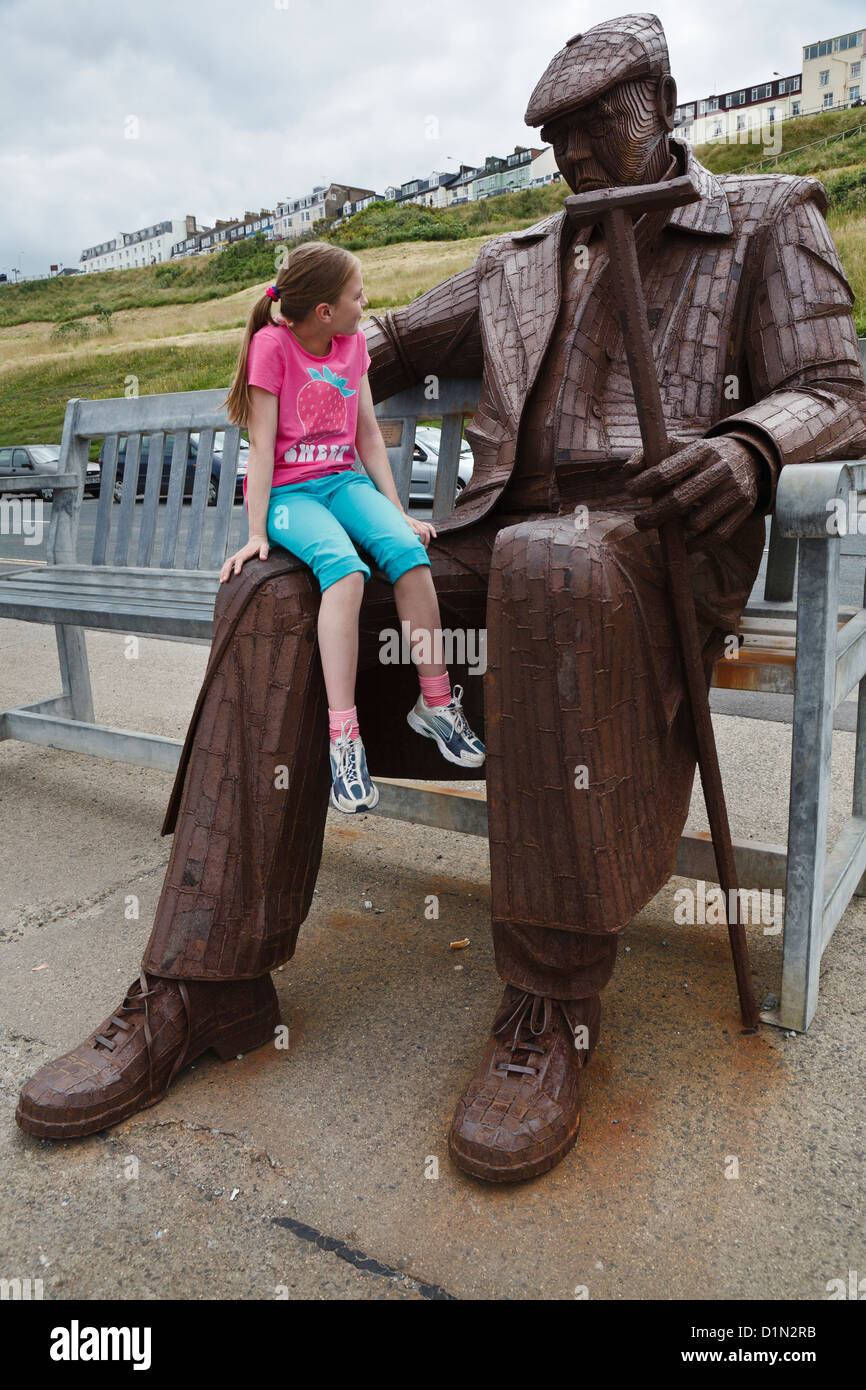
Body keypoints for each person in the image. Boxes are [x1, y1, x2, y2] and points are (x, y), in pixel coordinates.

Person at [17, 14, 866, 1185]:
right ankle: (201, 982)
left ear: (662, 100)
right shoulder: (519, 255)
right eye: (552, 132)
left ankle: (552, 1005)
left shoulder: (764, 216)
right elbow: (377, 341)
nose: (569, 148)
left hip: (646, 546)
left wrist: (748, 449)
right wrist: (290, 322)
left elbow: (832, 384)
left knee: (551, 565)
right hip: (495, 543)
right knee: (272, 586)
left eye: (592, 122)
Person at [219, 242, 485, 813]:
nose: (366, 303)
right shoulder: (272, 346)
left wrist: (398, 514)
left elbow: (367, 437)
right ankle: (345, 735)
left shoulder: (352, 345)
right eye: (357, 295)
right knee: (345, 571)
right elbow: (262, 447)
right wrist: (257, 529)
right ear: (323, 311)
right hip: (291, 494)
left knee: (409, 556)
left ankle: (435, 703)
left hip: (344, 484)